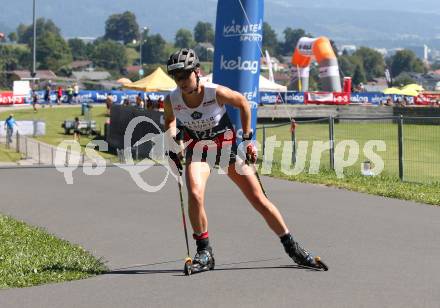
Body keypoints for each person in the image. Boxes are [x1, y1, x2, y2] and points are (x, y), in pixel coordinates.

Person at [164, 48, 326, 271]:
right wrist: (174, 141)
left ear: (197, 72)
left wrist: (248, 139)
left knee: (258, 199)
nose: (181, 82)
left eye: (185, 75)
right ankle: (204, 251)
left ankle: (293, 248)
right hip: (199, 149)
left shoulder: (216, 92)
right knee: (194, 193)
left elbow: (242, 103)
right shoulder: (172, 99)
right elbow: (170, 121)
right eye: (176, 77)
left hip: (227, 147)